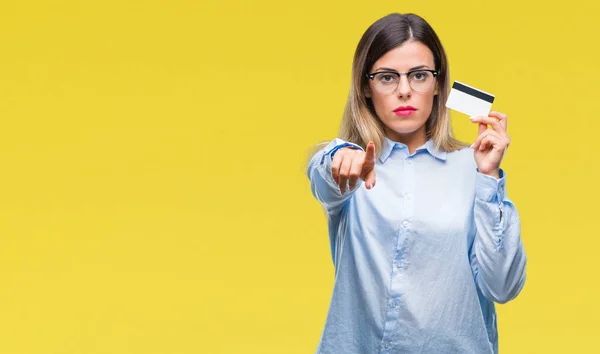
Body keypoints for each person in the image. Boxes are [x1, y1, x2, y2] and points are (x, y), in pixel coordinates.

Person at [305, 13, 527, 354]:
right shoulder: (349, 162)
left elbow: (504, 286)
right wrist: (339, 161)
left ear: (438, 84)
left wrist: (489, 179)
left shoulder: (473, 169)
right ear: (366, 86)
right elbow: (324, 176)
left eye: (419, 75)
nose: (404, 91)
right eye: (387, 77)